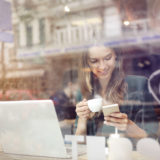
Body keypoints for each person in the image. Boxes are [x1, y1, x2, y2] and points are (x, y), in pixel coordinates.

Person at [75, 45, 158, 140]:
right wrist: (82, 121)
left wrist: (128, 125)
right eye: (94, 61)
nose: (102, 66)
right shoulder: (84, 92)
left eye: (107, 58)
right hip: (95, 153)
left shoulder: (138, 84)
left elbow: (152, 138)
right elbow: (79, 147)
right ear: (87, 63)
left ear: (116, 56)